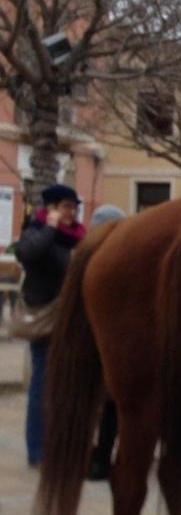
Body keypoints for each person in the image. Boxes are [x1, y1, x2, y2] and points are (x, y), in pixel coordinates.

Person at [14, 183, 87, 470]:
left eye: (74, 207)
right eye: (66, 207)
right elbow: (28, 255)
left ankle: (58, 447)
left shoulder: (74, 239)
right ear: (52, 209)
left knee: (62, 387)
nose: (72, 213)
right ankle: (38, 451)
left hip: (70, 322)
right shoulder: (37, 232)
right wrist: (49, 228)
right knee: (43, 385)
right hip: (46, 320)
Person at [87, 204, 125, 481]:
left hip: (105, 345)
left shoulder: (93, 257)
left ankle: (100, 457)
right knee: (109, 406)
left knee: (110, 406)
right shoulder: (106, 259)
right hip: (104, 346)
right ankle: (99, 457)